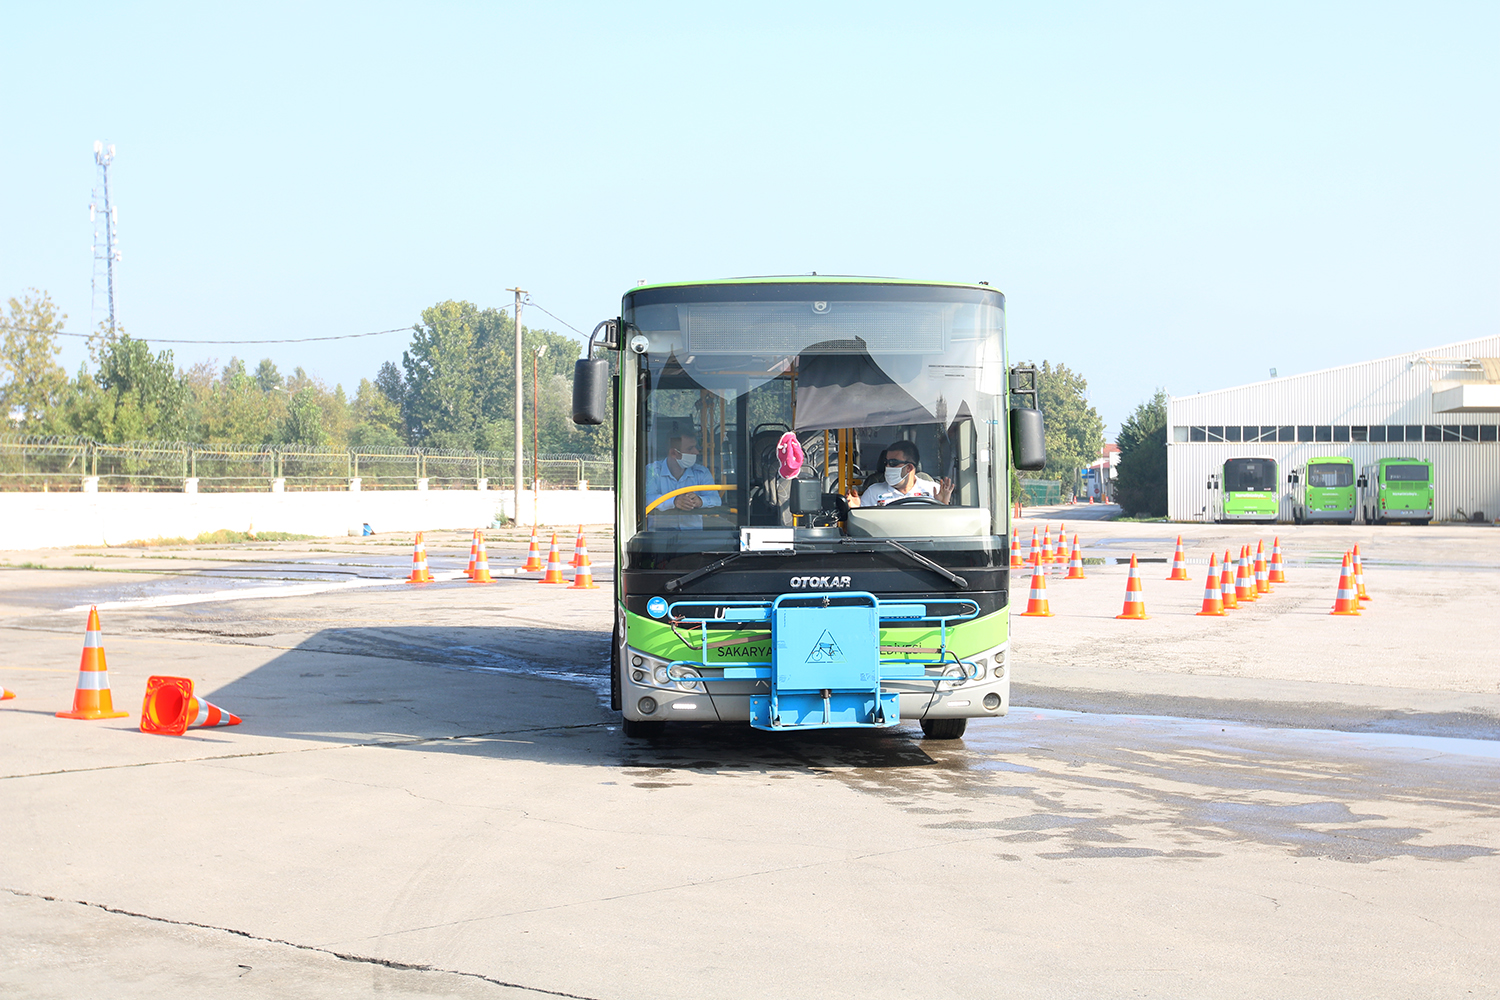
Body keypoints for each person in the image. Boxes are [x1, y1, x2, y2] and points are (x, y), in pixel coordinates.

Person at [644, 431, 721, 529]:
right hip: (659, 537)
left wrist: (700, 501)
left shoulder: (701, 472)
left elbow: (716, 500)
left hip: (692, 537)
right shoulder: (652, 471)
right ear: (673, 453)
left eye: (695, 447)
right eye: (690, 448)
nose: (696, 452)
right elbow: (647, 498)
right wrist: (674, 501)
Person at [847, 440, 952, 508]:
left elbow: (947, 530)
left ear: (909, 468)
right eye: (886, 462)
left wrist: (943, 506)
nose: (887, 467)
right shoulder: (873, 492)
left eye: (893, 463)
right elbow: (860, 532)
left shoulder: (934, 490)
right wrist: (855, 512)